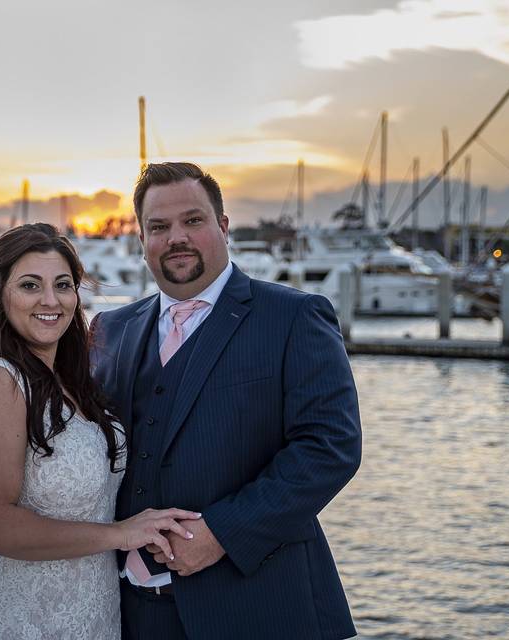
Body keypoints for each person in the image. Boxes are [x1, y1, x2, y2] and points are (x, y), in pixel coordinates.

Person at [90, 162, 362, 639]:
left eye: (193, 221)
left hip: (260, 608)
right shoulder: (110, 330)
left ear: (223, 226)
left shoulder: (294, 317)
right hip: (129, 616)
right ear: (142, 238)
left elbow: (329, 448)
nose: (177, 237)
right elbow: (74, 435)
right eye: (159, 226)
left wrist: (222, 534)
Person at [0, 223, 201, 640]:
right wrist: (120, 533)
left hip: (90, 616)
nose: (50, 300)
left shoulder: (73, 382)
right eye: (29, 285)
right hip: (11, 623)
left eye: (63, 284)